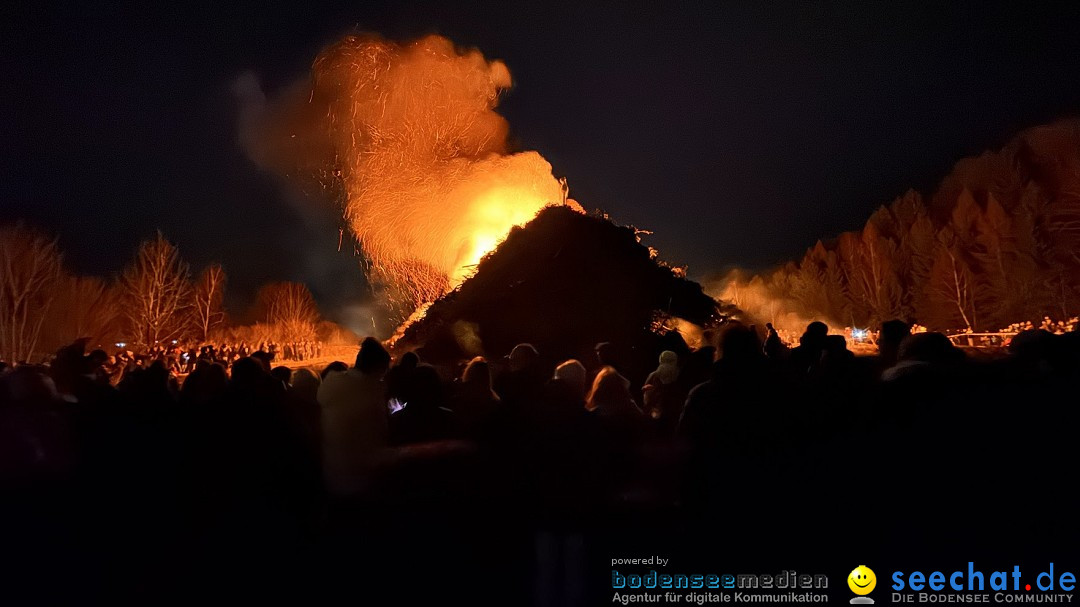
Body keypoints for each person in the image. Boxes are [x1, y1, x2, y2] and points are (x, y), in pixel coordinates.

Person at [317, 337, 391, 498]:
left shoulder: (332, 382)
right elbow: (380, 436)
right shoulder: (370, 391)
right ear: (376, 368)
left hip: (332, 476)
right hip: (361, 482)